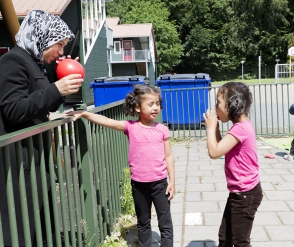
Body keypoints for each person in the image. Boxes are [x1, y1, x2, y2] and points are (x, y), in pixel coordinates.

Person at [0, 10, 83, 246]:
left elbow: (40, 102)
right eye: (59, 44)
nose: (61, 52)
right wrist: (56, 89)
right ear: (42, 36)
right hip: (18, 162)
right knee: (20, 225)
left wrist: (68, 81)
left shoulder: (35, 63)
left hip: (36, 157)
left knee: (41, 222)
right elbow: (14, 109)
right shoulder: (12, 61)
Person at [66, 84, 175, 246]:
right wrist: (84, 114)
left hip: (160, 183)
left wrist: (172, 181)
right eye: (150, 104)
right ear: (137, 107)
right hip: (138, 184)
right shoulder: (131, 127)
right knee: (143, 221)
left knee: (165, 222)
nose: (155, 108)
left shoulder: (162, 130)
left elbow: (169, 156)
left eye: (158, 103)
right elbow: (106, 120)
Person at [203, 82, 263, 247]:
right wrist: (215, 129)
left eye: (218, 103)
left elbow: (214, 152)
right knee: (225, 238)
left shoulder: (240, 129)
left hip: (245, 194)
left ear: (232, 105)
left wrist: (210, 128)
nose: (215, 108)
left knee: (240, 242)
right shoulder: (241, 127)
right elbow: (222, 147)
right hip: (241, 192)